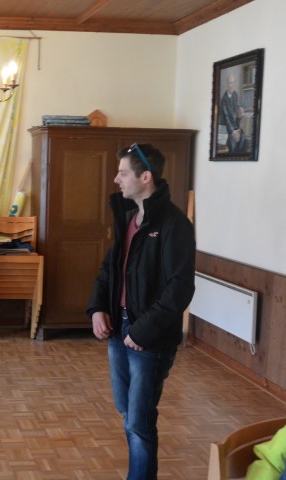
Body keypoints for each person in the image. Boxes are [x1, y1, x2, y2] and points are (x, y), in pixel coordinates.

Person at [86, 143, 196, 480]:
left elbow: (180, 288)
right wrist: (98, 308)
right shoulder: (129, 218)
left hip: (148, 339)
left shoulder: (174, 224)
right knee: (128, 412)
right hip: (118, 331)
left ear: (145, 176)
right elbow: (109, 271)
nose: (116, 179)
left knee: (138, 422)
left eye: (123, 173)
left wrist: (142, 331)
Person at [219, 73, 247, 153]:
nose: (232, 85)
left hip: (236, 127)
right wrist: (233, 132)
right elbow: (226, 118)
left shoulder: (235, 94)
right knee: (233, 145)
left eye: (233, 82)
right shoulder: (224, 100)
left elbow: (237, 108)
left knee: (243, 139)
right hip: (227, 130)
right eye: (230, 83)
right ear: (227, 84)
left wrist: (240, 111)